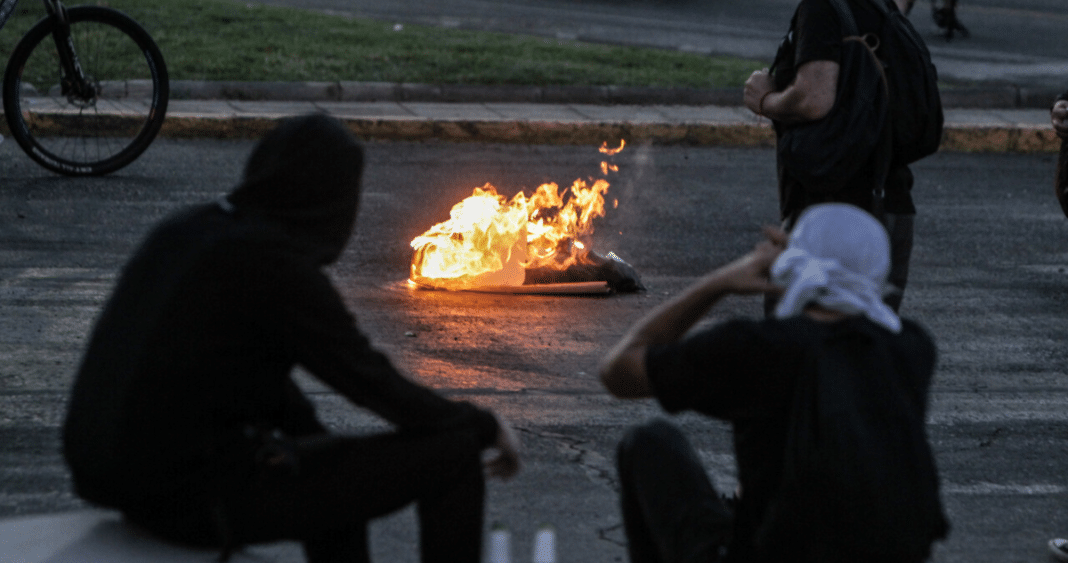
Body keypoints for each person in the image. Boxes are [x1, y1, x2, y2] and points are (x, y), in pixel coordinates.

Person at [62, 114, 521, 563]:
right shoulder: (274, 262)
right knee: (454, 448)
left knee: (329, 477)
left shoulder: (188, 230)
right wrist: (481, 424)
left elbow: (242, 371)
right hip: (192, 499)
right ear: (328, 199)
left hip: (124, 481)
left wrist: (317, 445)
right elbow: (366, 378)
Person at [599, 203, 948, 562]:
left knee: (650, 442)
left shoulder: (761, 348)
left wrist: (720, 282)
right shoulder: (911, 348)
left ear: (794, 265)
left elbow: (619, 370)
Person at [743, 0, 922, 312]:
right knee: (868, 348)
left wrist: (765, 100)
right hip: (890, 207)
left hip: (832, 216)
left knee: (798, 346)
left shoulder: (823, 6)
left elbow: (815, 98)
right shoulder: (881, 6)